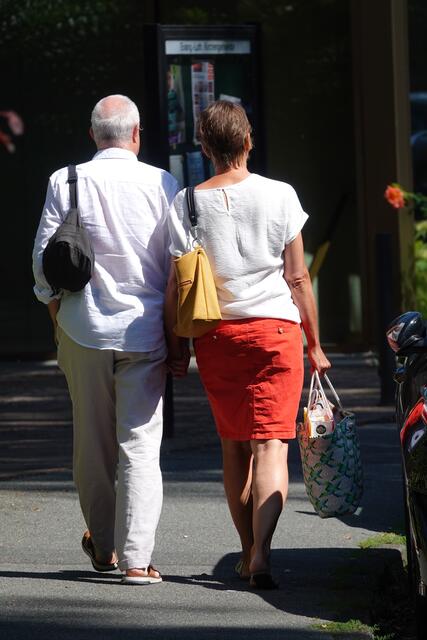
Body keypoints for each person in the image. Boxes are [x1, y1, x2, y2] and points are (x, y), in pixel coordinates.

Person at [165, 100, 330, 589]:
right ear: (248, 140)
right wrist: (315, 344)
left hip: (219, 337)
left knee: (234, 447)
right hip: (277, 332)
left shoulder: (186, 203)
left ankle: (245, 549)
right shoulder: (280, 195)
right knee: (272, 446)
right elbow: (298, 278)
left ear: (204, 147)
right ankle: (262, 553)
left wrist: (178, 345)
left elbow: (178, 284)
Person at [32, 94, 178, 584]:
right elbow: (176, 264)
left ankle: (103, 544)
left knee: (91, 444)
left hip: (83, 327)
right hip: (145, 330)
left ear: (93, 135)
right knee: (140, 444)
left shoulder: (66, 179)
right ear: (136, 134)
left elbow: (43, 259)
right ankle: (137, 560)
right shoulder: (162, 183)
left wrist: (56, 312)